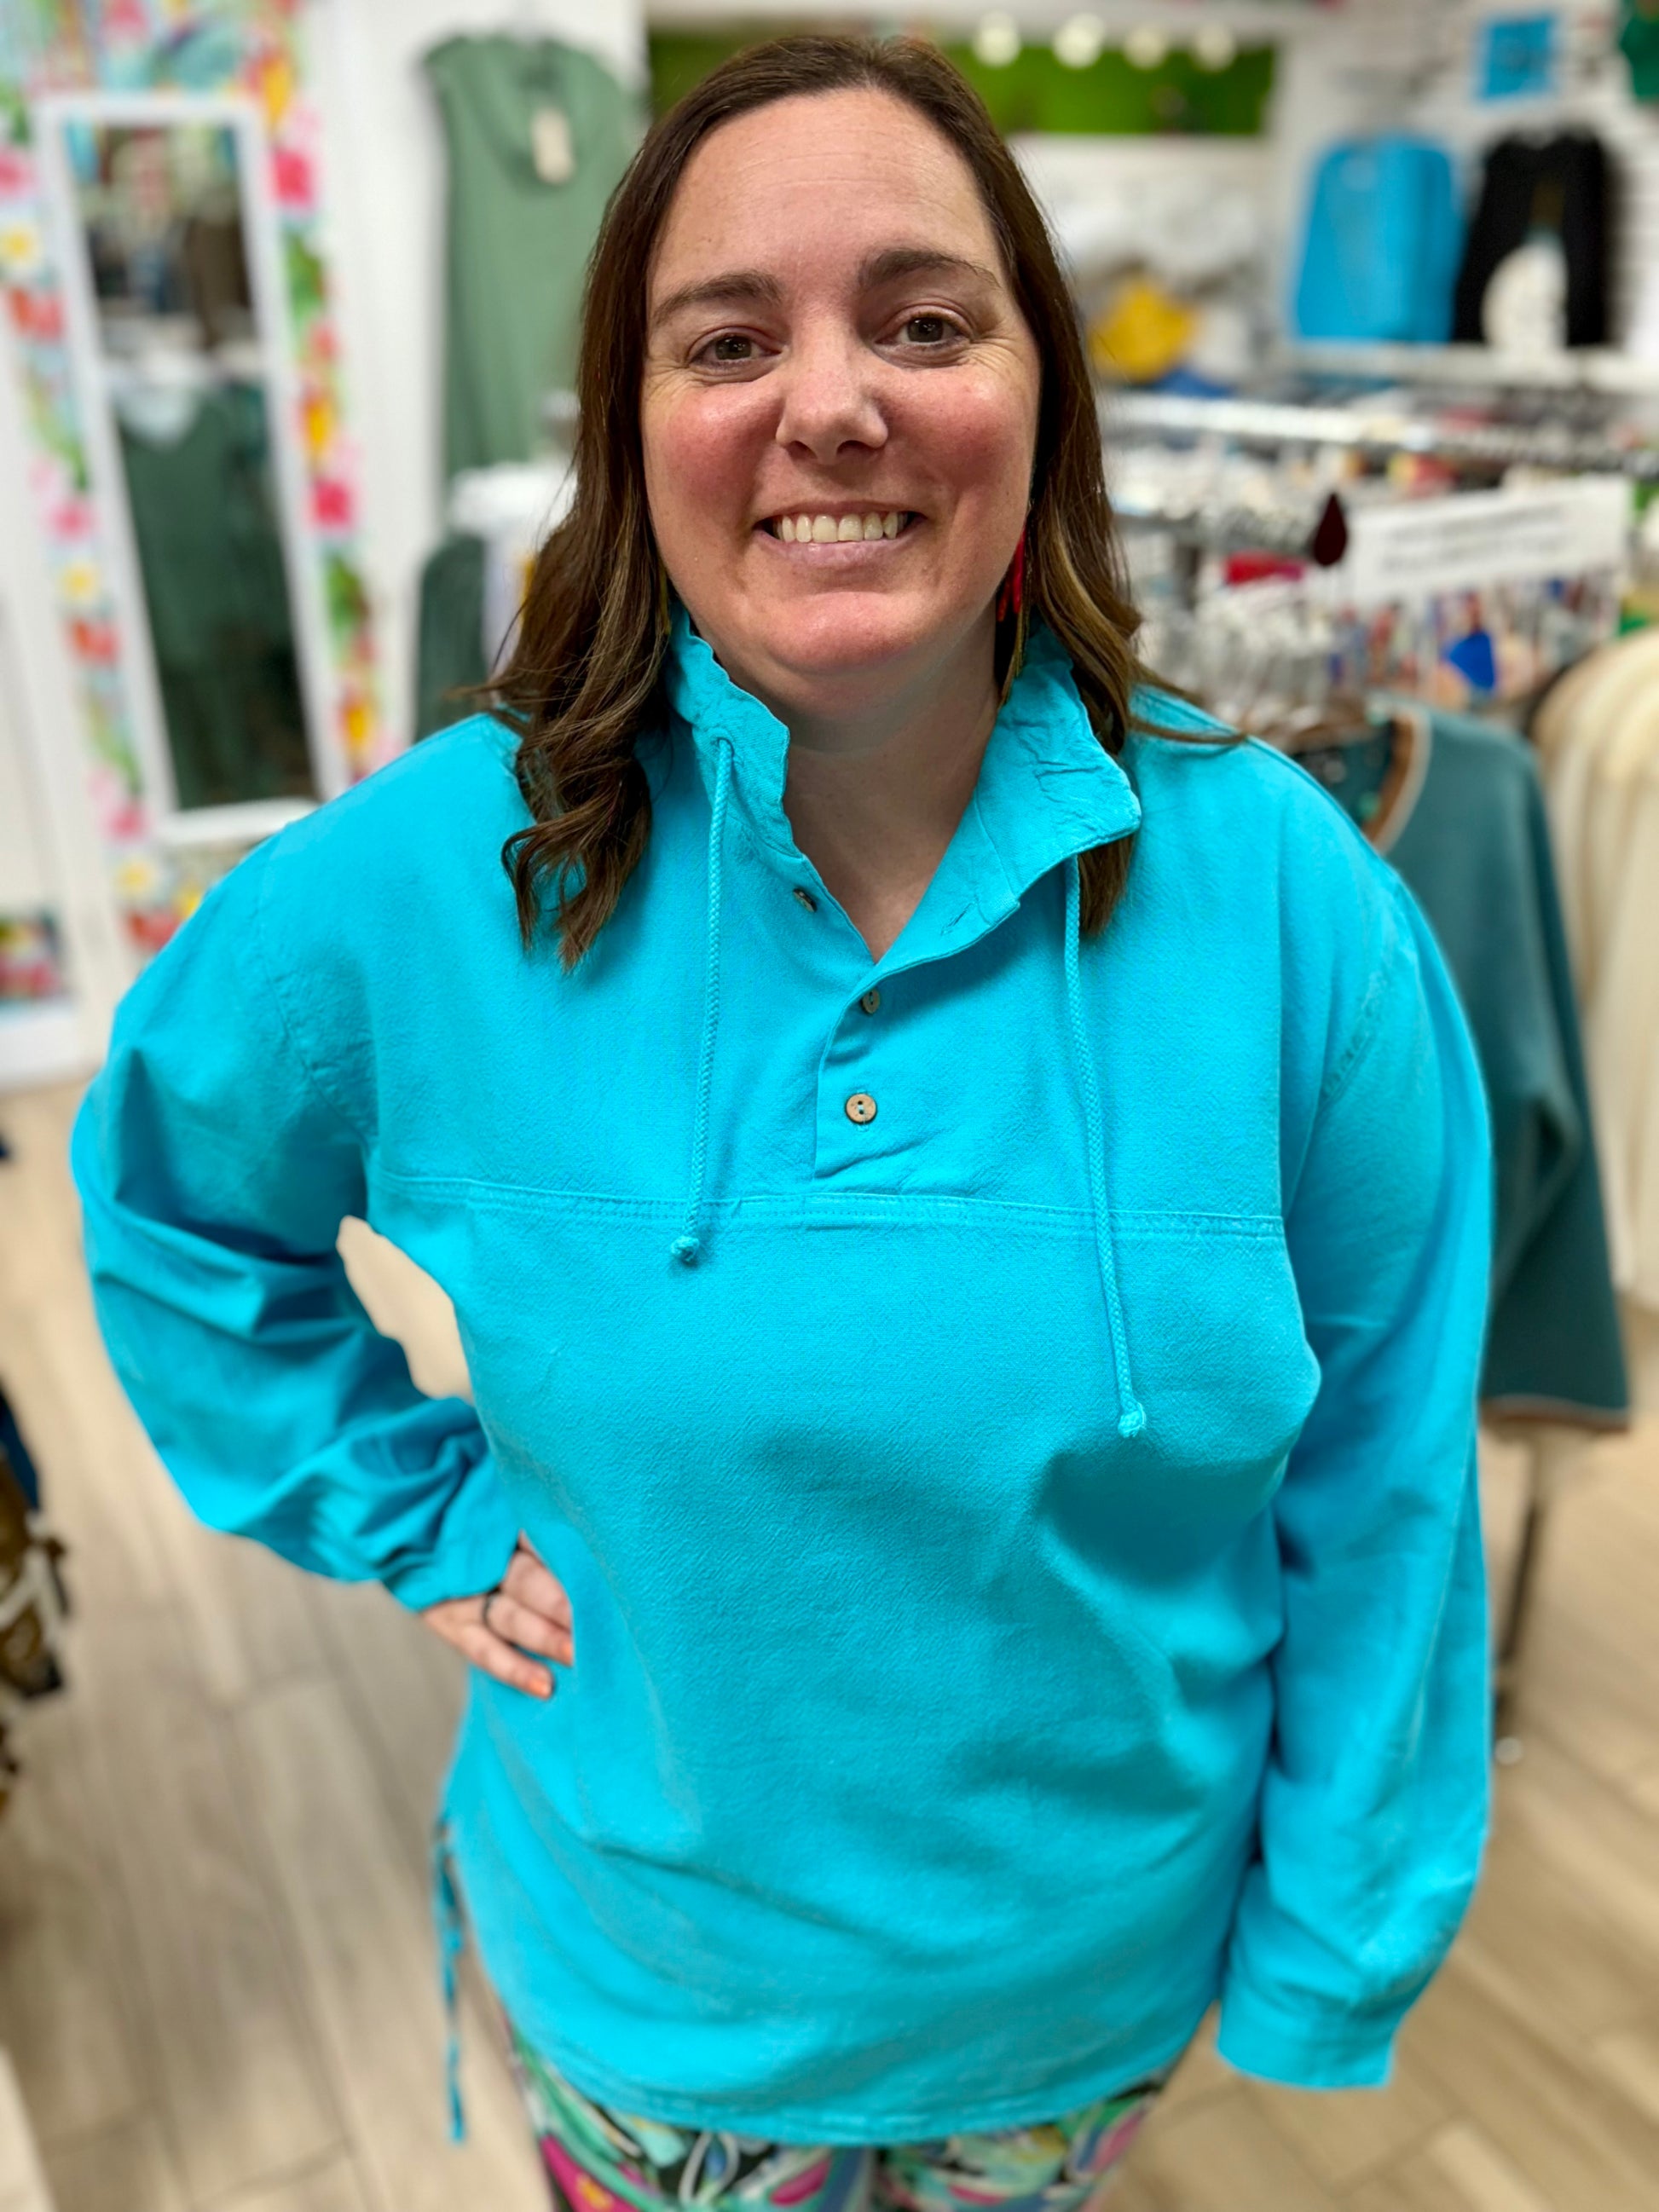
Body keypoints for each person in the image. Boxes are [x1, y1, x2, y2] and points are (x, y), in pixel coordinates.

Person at [72, 34, 1494, 2211]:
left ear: (1040, 391)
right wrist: (404, 1505)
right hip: (650, 2009)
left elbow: (1387, 1466)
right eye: (728, 339)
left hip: (1087, 2009)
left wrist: (1331, 1940)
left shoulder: (1293, 904)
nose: (832, 403)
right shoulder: (439, 877)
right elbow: (173, 1202)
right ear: (629, 426)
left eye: (923, 322)